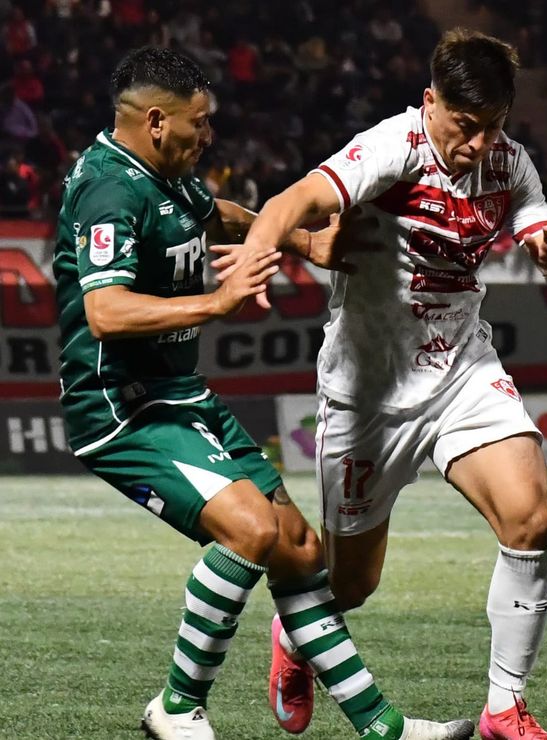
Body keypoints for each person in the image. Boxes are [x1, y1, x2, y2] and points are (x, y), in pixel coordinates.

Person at [52, 47, 472, 740]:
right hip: (122, 408)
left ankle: (383, 727)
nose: (208, 135)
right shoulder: (109, 190)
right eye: (199, 123)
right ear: (155, 121)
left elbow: (211, 213)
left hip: (178, 395)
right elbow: (106, 311)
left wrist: (305, 244)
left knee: (301, 550)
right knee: (251, 531)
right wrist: (216, 304)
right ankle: (176, 708)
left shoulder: (163, 175)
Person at [233, 29, 547, 740]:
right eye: (465, 124)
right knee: (353, 584)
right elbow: (293, 200)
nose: (478, 144)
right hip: (367, 395)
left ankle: (504, 708)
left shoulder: (511, 165)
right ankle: (295, 633)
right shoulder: (392, 148)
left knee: (530, 518)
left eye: (493, 127)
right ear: (431, 102)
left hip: (462, 371)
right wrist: (254, 258)